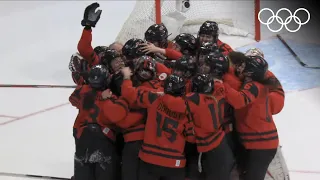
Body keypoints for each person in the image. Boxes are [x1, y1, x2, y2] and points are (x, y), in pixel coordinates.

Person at [121, 68, 189, 180]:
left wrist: (127, 77)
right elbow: (191, 136)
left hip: (150, 158)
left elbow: (128, 94)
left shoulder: (154, 97)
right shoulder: (190, 106)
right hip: (175, 162)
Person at [223, 55, 279, 180]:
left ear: (249, 72)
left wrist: (220, 84)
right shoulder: (257, 84)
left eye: (243, 66)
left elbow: (238, 101)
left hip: (261, 144)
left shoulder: (253, 86)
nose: (239, 67)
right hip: (259, 143)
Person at [69, 64, 129, 180]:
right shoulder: (111, 97)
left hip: (82, 135)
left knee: (83, 170)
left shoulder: (82, 91)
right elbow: (118, 117)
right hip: (104, 138)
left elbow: (73, 100)